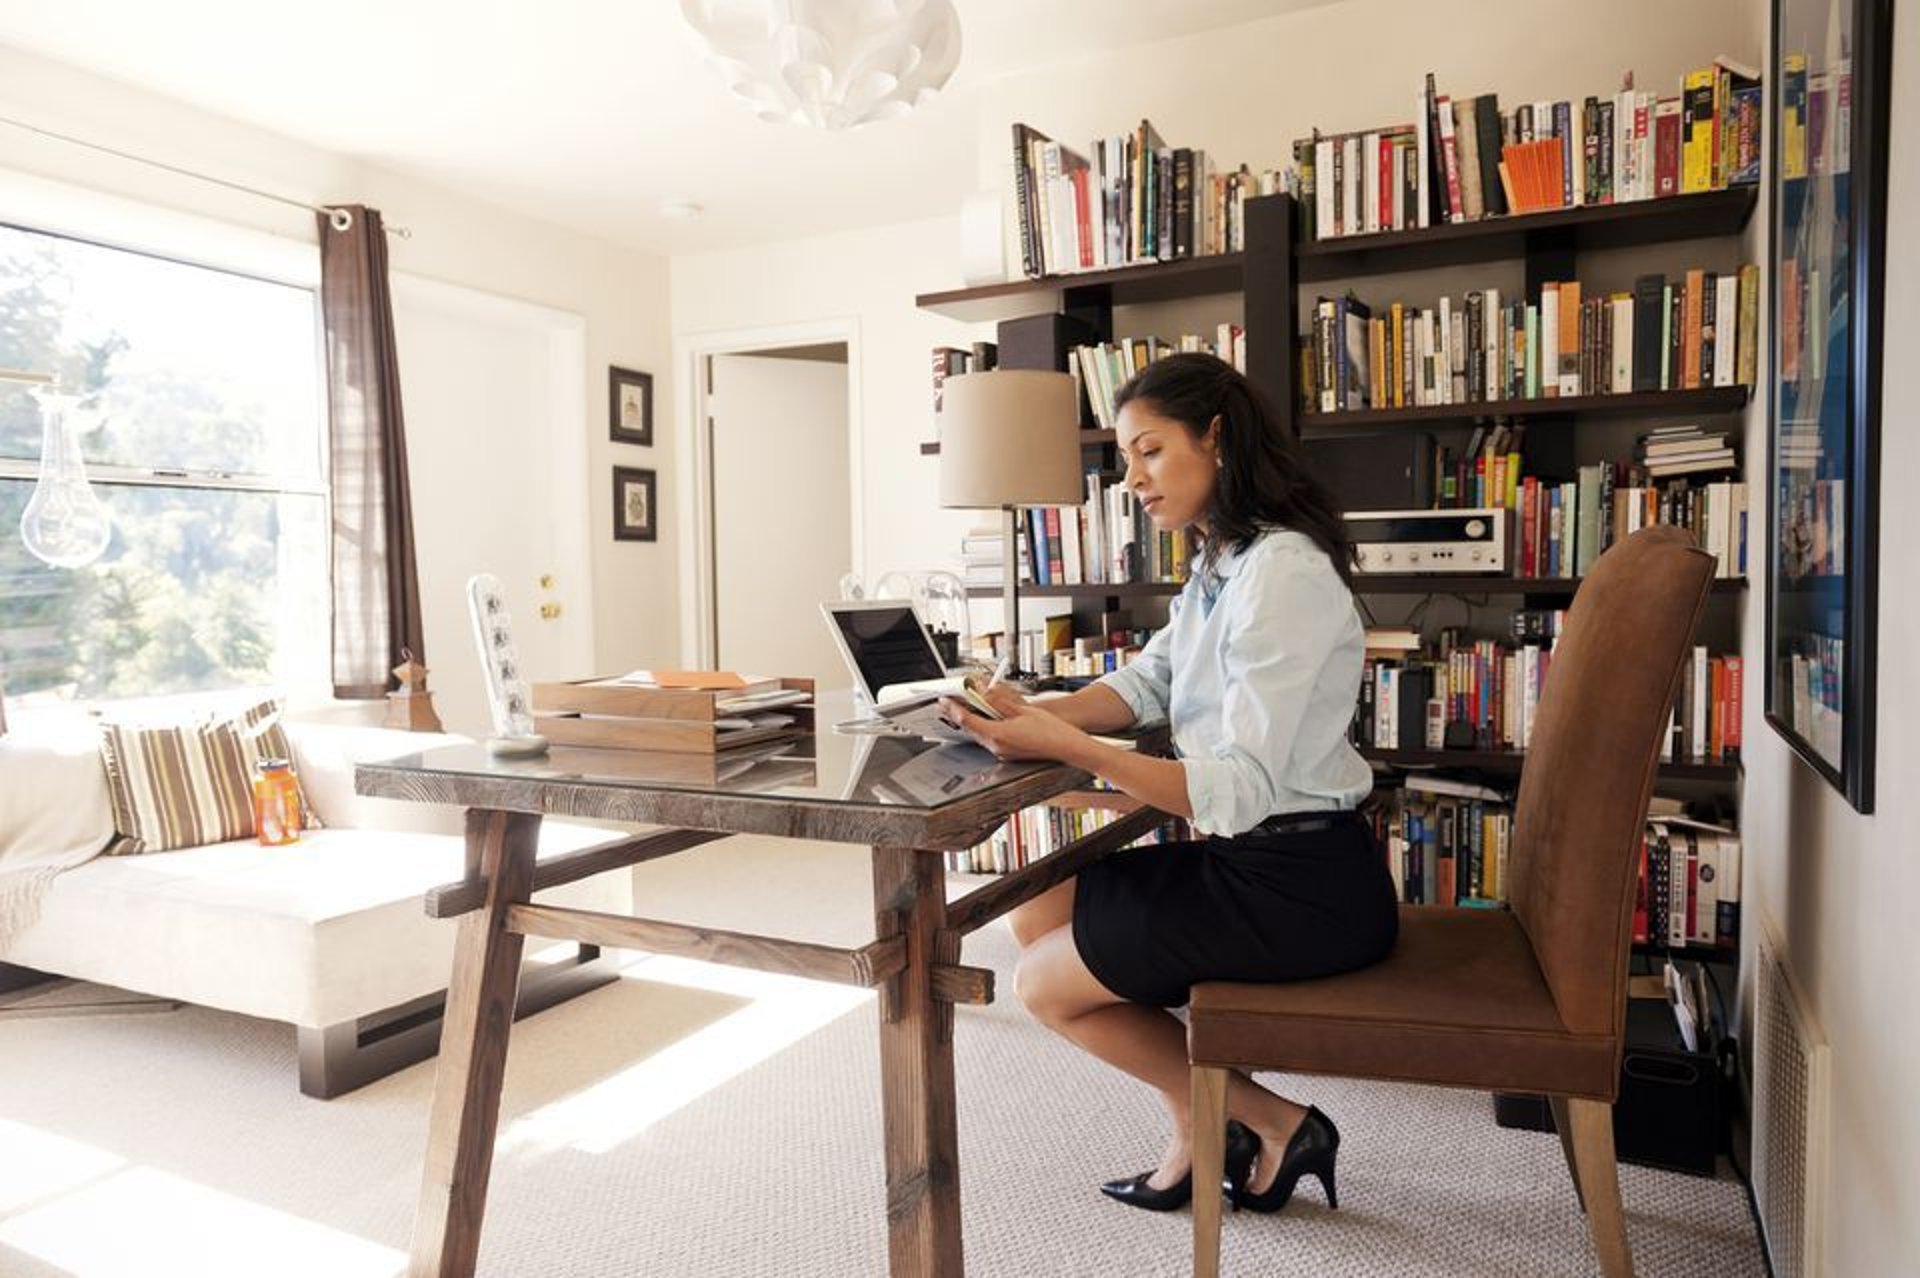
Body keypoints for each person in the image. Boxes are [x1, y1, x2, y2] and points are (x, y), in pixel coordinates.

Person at [941, 352, 1398, 1216]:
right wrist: (1030, 711)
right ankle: (1208, 1117)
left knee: (1043, 983)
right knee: (1037, 907)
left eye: (1149, 450)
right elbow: (1150, 683)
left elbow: (1242, 788)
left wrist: (1068, 745)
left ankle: (1269, 1120)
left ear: (1216, 438)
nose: (1133, 479)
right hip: (1252, 864)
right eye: (1126, 458)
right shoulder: (1226, 560)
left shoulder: (1283, 572)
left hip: (1302, 889)